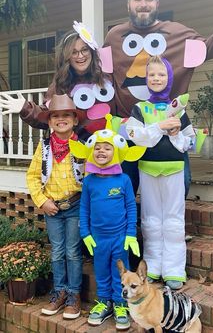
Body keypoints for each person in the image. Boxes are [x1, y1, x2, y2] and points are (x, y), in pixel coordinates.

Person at [104, 0, 213, 196]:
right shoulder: (114, 37)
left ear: (157, 4)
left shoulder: (177, 33)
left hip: (170, 131)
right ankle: (129, 230)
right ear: (128, 5)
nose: (143, 4)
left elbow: (208, 48)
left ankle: (171, 230)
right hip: (130, 130)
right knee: (122, 192)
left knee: (176, 191)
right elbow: (104, 76)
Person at [69, 115, 145, 330]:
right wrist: (85, 233)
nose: (102, 151)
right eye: (98, 148)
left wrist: (131, 234)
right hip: (98, 238)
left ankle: (121, 304)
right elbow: (84, 208)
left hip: (120, 237)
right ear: (91, 151)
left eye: (107, 148)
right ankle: (104, 302)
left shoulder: (123, 180)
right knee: (101, 269)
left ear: (117, 152)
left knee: (120, 272)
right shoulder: (90, 180)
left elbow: (131, 207)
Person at [126, 56, 195, 290]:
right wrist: (159, 127)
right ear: (146, 79)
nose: (156, 78)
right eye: (152, 75)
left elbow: (190, 142)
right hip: (147, 171)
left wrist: (175, 133)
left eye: (161, 74)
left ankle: (175, 269)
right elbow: (134, 135)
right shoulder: (140, 108)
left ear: (169, 78)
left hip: (174, 171)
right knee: (151, 220)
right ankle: (153, 266)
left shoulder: (179, 109)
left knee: (174, 221)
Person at [0, 21, 115, 140]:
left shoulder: (107, 77)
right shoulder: (61, 83)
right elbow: (48, 115)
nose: (80, 56)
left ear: (91, 51)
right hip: (76, 150)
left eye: (84, 50)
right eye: (74, 52)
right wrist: (25, 108)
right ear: (67, 57)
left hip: (108, 147)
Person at [26, 94, 84, 319]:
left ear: (75, 120)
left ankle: (74, 295)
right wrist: (43, 201)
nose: (61, 119)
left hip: (76, 207)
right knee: (57, 252)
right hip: (53, 209)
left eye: (66, 115)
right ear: (49, 122)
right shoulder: (45, 148)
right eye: (56, 116)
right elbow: (32, 177)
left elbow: (89, 176)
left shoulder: (81, 148)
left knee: (72, 251)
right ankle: (59, 292)